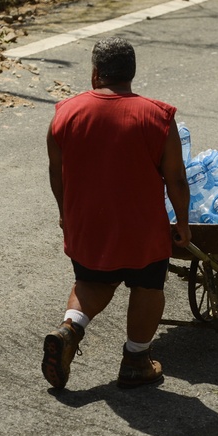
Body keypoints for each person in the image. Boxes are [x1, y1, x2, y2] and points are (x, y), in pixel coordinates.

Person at [43, 37, 191, 390]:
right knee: (147, 286)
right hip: (141, 229)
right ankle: (137, 360)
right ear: (132, 73)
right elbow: (177, 178)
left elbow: (56, 171)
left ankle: (69, 329)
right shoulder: (158, 116)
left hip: (87, 224)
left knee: (92, 282)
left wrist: (66, 214)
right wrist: (183, 224)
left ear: (96, 74)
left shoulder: (65, 113)